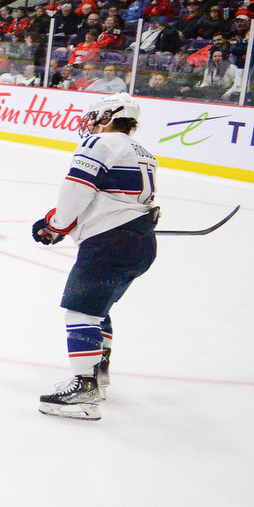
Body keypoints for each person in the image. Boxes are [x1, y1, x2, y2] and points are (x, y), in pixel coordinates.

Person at [31, 96, 159, 420]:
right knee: (98, 309)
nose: (89, 123)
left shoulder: (99, 143)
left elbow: (77, 191)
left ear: (108, 115)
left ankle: (84, 390)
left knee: (81, 311)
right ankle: (98, 376)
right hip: (140, 242)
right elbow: (119, 197)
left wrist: (55, 225)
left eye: (94, 116)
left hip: (109, 242)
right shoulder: (144, 152)